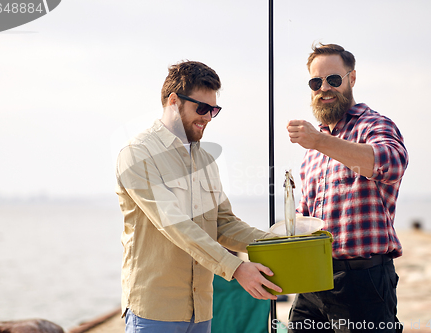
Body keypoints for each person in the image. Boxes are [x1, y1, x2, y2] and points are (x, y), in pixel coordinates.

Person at [115, 60, 281, 333]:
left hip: (202, 311)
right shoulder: (137, 154)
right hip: (155, 311)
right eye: (201, 108)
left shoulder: (206, 161)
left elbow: (224, 223)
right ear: (173, 101)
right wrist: (237, 268)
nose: (207, 117)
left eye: (214, 110)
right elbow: (174, 224)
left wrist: (280, 243)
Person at [286, 43, 408, 332]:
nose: (324, 88)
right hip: (313, 282)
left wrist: (319, 141)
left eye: (333, 79)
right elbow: (307, 218)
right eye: (316, 82)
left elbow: (391, 163)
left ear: (351, 79)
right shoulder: (313, 147)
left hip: (363, 283)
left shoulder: (374, 125)